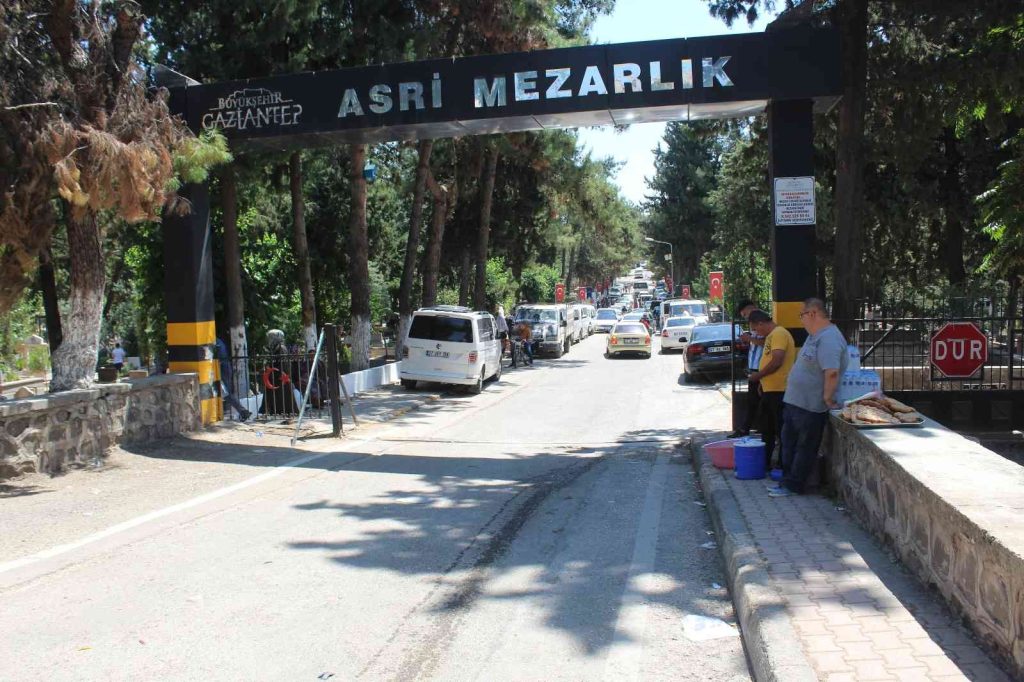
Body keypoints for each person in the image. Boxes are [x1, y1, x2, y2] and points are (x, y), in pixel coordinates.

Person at [770, 298, 848, 498]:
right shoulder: (814, 336)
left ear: (813, 314)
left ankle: (795, 485)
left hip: (811, 405)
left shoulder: (829, 338)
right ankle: (786, 482)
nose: (801, 320)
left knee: (804, 447)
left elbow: (831, 372)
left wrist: (827, 398)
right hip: (795, 401)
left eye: (802, 315)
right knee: (788, 443)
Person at [746, 310, 796, 472]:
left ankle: (783, 465)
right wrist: (762, 381)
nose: (757, 333)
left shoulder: (779, 334)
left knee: (781, 430)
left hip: (780, 390)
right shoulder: (771, 336)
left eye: (756, 329)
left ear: (761, 323)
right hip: (770, 390)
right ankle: (766, 462)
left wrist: (758, 376)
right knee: (766, 429)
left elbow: (777, 361)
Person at [729, 300, 763, 438]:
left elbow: (767, 342)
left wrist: (749, 338)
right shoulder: (753, 324)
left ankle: (748, 429)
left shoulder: (763, 322)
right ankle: (746, 428)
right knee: (752, 401)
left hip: (762, 369)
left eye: (745, 314)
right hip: (753, 368)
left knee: (758, 401)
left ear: (751, 308)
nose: (745, 318)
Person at [215, 336, 252, 421]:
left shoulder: (215, 342)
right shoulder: (218, 341)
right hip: (224, 368)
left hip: (221, 369)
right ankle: (243, 411)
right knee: (224, 393)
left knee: (225, 393)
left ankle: (243, 411)